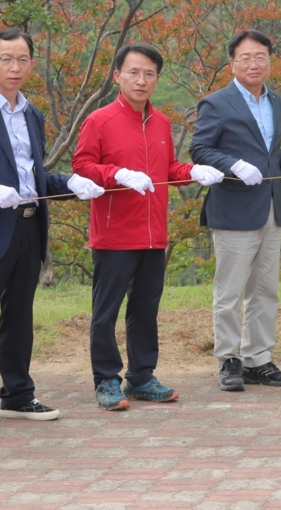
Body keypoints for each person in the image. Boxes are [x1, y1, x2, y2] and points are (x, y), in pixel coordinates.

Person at [0, 29, 103, 433]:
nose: (15, 67)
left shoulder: (33, 114)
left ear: (31, 63)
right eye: (6, 59)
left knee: (20, 316)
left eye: (23, 59)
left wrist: (70, 184)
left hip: (29, 227)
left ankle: (17, 394)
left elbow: (33, 176)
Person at [72, 44, 226, 410]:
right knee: (106, 310)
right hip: (114, 233)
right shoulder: (100, 120)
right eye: (133, 72)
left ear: (157, 78)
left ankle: (142, 376)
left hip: (155, 234)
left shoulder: (161, 123)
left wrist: (192, 172)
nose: (141, 80)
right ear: (117, 76)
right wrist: (117, 174)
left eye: (149, 74)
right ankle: (106, 378)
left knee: (145, 309)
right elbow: (81, 166)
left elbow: (167, 170)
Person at [189, 30, 281, 391]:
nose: (253, 64)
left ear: (270, 60)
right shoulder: (215, 103)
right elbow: (199, 150)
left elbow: (271, 154)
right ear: (232, 62)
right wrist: (233, 164)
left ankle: (258, 359)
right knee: (230, 291)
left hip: (271, 207)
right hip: (233, 209)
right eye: (245, 57)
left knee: (265, 291)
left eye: (260, 56)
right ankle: (229, 359)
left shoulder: (276, 101)